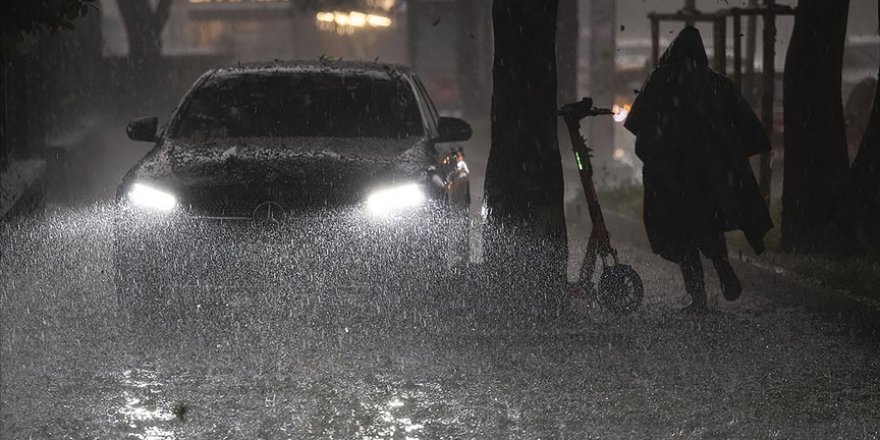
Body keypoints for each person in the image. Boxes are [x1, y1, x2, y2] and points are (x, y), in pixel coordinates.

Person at [624, 26, 773, 313]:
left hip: (671, 172)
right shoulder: (716, 83)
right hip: (709, 174)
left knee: (681, 233)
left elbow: (640, 124)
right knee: (708, 224)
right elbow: (746, 127)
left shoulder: (660, 79)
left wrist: (654, 157)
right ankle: (721, 264)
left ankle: (699, 298)